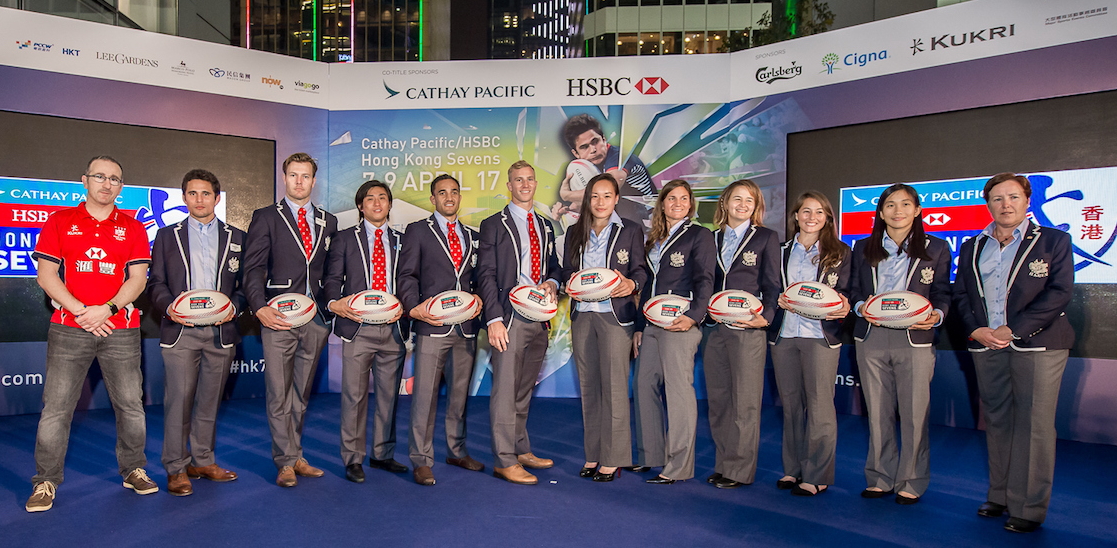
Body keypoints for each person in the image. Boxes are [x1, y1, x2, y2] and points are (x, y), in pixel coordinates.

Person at [26, 156, 157, 512]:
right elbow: (47, 276)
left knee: (130, 406)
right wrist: (81, 311)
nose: (107, 183)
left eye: (114, 179)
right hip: (70, 328)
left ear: (121, 187)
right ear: (84, 180)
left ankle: (134, 470)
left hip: (121, 329)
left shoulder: (133, 227)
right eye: (100, 176)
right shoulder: (59, 221)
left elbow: (138, 279)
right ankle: (45, 481)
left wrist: (108, 309)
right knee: (56, 409)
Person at [953, 172, 1074, 533]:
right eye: (997, 199)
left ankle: (1029, 507)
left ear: (1027, 201)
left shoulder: (1054, 240)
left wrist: (1013, 329)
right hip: (985, 344)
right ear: (988, 204)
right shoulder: (973, 245)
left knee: (1034, 425)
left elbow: (1060, 291)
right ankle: (1001, 495)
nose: (1005, 205)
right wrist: (975, 329)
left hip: (1038, 344)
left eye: (1013, 197)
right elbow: (961, 294)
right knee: (999, 421)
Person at [850, 183, 950, 505]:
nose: (898, 211)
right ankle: (880, 476)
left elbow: (943, 294)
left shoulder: (936, 247)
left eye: (905, 204)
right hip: (871, 336)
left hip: (915, 337)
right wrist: (859, 307)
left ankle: (912, 480)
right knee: (877, 413)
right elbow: (853, 291)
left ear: (917, 210)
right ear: (881, 212)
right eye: (890, 205)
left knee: (914, 413)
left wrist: (935, 316)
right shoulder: (863, 248)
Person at [148, 169, 245, 496]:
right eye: (192, 193)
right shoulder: (166, 236)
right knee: (179, 401)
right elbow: (156, 283)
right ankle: (176, 467)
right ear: (184, 197)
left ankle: (202, 459)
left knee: (209, 401)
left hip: (221, 333)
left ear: (217, 198)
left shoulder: (238, 237)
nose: (199, 199)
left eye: (206, 194)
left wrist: (234, 307)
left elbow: (248, 285)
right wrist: (169, 307)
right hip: (180, 331)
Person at [243, 152, 338, 488]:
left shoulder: (329, 221)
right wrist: (259, 307)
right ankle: (284, 461)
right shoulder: (266, 217)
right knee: (279, 393)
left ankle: (295, 454)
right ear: (284, 178)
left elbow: (330, 272)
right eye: (293, 175)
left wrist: (331, 308)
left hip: (315, 319)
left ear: (314, 180)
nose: (299, 182)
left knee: (301, 393)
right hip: (278, 316)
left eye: (306, 176)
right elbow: (252, 268)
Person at [397, 174, 485, 486]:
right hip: (431, 326)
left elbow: (482, 278)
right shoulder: (418, 231)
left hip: (466, 329)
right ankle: (421, 459)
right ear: (433, 199)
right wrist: (413, 307)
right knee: (425, 395)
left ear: (460, 197)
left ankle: (456, 450)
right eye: (442, 193)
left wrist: (481, 299)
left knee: (459, 395)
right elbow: (406, 275)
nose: (449, 197)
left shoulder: (473, 235)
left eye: (454, 192)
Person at [477, 160, 561, 485]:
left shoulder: (545, 225)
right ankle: (504, 459)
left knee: (524, 387)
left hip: (539, 318)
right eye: (517, 180)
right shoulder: (493, 224)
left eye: (529, 179)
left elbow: (554, 267)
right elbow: (484, 273)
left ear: (535, 183)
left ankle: (520, 447)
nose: (524, 185)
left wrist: (553, 284)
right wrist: (494, 319)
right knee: (505, 390)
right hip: (508, 318)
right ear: (509, 186)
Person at [560, 173, 647, 482]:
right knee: (589, 388)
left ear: (616, 199)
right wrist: (566, 283)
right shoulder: (574, 232)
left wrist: (631, 283)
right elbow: (568, 271)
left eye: (606, 196)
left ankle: (614, 458)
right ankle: (593, 453)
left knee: (614, 387)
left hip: (615, 317)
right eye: (594, 196)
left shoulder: (631, 231)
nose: (600, 202)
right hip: (583, 316)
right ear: (588, 199)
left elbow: (641, 271)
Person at [324, 180, 410, 484]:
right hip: (357, 329)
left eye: (382, 198)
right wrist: (335, 302)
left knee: (389, 396)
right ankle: (353, 458)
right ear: (361, 206)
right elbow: (332, 278)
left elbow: (411, 282)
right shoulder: (345, 239)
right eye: (370, 199)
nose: (376, 203)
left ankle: (383, 454)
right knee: (354, 396)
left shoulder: (403, 240)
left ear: (389, 204)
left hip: (393, 329)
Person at [768, 191, 851, 497]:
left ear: (828, 218)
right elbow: (770, 286)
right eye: (805, 211)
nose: (811, 217)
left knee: (819, 406)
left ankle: (817, 474)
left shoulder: (840, 251)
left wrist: (845, 303)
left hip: (821, 337)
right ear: (796, 216)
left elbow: (847, 291)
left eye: (819, 212)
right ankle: (793, 468)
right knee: (791, 407)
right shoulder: (779, 250)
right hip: (785, 335)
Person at [633, 179, 716, 484]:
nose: (677, 203)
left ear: (690, 204)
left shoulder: (700, 235)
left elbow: (707, 279)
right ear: (663, 204)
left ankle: (679, 466)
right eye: (671, 199)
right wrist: (640, 327)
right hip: (652, 323)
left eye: (683, 199)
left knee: (678, 391)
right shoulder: (653, 238)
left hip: (680, 322)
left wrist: (694, 316)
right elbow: (646, 287)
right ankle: (650, 455)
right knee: (644, 385)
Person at [701, 179, 780, 489]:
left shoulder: (766, 238)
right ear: (725, 203)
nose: (743, 204)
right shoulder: (709, 238)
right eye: (737, 199)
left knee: (745, 403)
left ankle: (739, 470)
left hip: (748, 330)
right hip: (714, 329)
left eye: (749, 200)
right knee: (719, 401)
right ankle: (723, 463)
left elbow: (773, 284)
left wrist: (767, 317)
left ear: (756, 206)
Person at [558, 114, 655, 222]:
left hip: (648, 223)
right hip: (625, 224)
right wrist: (566, 210)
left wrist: (566, 195)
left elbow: (604, 191)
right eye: (584, 147)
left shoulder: (619, 157)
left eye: (595, 142)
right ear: (576, 153)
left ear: (604, 139)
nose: (593, 150)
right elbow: (586, 201)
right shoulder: (587, 167)